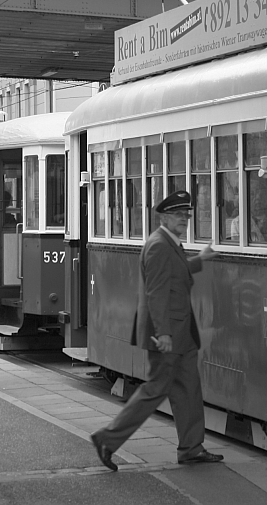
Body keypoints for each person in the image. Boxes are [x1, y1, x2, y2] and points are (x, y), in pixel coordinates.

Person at [90, 190, 222, 471]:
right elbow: (157, 292)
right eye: (178, 215)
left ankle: (191, 448)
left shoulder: (168, 243)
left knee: (188, 389)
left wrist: (201, 259)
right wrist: (162, 333)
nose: (184, 219)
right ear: (163, 217)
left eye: (186, 215)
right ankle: (107, 439)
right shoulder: (160, 245)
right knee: (154, 390)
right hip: (167, 335)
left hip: (181, 335)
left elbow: (177, 272)